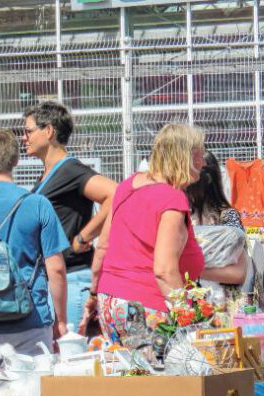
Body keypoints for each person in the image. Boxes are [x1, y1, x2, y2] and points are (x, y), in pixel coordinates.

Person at [86, 123, 207, 346]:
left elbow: (102, 246)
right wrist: (188, 320)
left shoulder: (126, 186)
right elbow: (164, 270)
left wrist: (93, 294)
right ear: (185, 156)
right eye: (200, 155)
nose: (204, 162)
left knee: (129, 376)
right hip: (145, 308)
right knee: (161, 377)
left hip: (111, 303)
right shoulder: (172, 199)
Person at [0, 128, 68, 354]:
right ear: (15, 160)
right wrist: (60, 320)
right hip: (32, 320)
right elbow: (56, 269)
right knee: (35, 387)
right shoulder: (37, 204)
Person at [22, 101, 116, 326]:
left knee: (71, 356)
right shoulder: (49, 174)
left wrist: (84, 236)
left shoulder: (69, 169)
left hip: (72, 278)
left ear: (49, 131)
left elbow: (116, 194)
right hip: (57, 281)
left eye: (28, 131)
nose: (24, 138)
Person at [186, 150, 249, 313]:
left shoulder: (227, 217)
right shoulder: (181, 215)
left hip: (223, 307)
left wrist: (194, 271)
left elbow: (238, 274)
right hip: (190, 305)